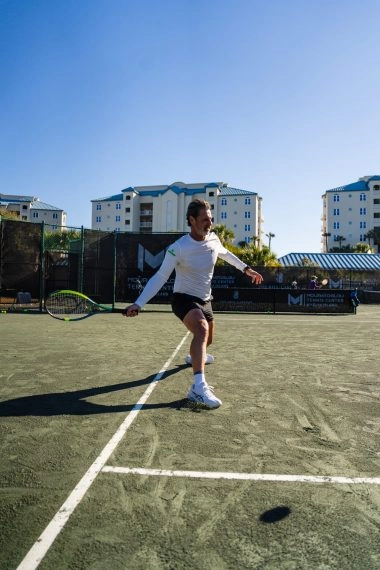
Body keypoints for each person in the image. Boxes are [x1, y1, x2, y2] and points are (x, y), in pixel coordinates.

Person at [123, 199, 264, 409]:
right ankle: (198, 388)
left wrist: (245, 269)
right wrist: (139, 303)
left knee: (208, 340)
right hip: (183, 299)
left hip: (205, 299)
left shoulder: (214, 239)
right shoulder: (178, 248)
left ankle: (195, 356)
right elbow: (161, 276)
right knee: (201, 329)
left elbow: (226, 254)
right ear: (192, 220)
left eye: (211, 219)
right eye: (205, 219)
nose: (210, 223)